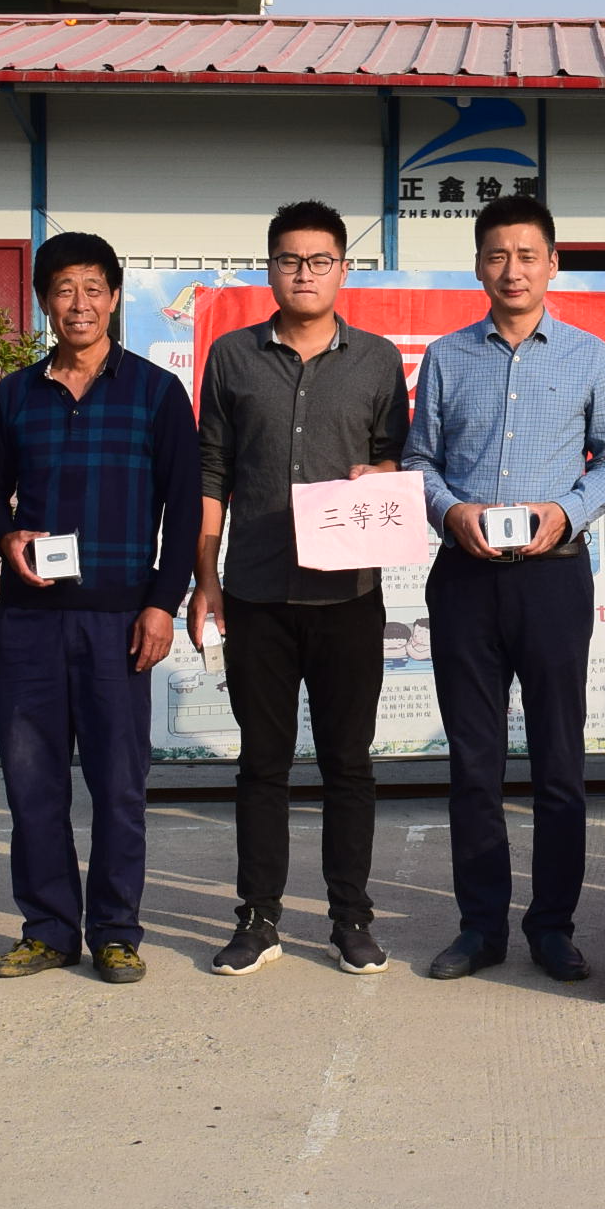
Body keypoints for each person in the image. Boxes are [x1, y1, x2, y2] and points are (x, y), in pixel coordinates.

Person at [401, 194, 605, 982]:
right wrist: (450, 511)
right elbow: (418, 460)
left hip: (553, 578)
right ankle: (480, 928)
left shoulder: (586, 355)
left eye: (528, 255)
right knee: (474, 764)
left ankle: (553, 926)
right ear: (478, 265)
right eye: (497, 255)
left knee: (559, 763)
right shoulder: (446, 356)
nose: (513, 270)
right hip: (465, 580)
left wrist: (564, 512)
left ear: (553, 264)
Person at [0, 232, 199, 986]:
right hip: (30, 620)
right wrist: (7, 537)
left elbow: (183, 507)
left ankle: (116, 932)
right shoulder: (16, 395)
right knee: (32, 785)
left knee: (118, 786)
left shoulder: (154, 392)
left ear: (114, 298)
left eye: (93, 288)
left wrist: (162, 605)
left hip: (119, 621)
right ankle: (47, 930)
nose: (80, 304)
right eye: (64, 289)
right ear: (45, 300)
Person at [191, 201, 410, 977]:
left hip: (348, 595)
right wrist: (206, 579)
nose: (305, 273)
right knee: (263, 764)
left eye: (320, 260)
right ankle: (258, 918)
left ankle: (351, 918)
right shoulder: (232, 357)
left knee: (349, 764)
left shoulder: (378, 360)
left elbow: (399, 458)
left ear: (343, 269)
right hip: (256, 592)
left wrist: (377, 473)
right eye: (290, 260)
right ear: (270, 269)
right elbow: (211, 470)